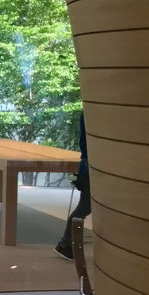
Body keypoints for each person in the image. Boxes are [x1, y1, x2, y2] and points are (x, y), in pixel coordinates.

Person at [55, 111, 90, 261]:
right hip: (89, 166)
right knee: (85, 207)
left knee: (85, 207)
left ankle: (66, 244)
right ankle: (65, 244)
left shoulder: (87, 112)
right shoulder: (89, 113)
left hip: (88, 166)